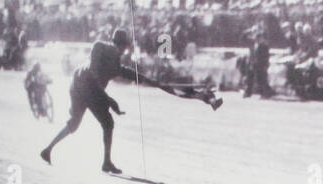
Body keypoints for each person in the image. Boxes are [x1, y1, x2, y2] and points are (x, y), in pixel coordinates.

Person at [40, 28, 220, 174]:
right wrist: (109, 100)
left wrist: (155, 83)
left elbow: (133, 75)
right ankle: (104, 162)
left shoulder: (115, 65)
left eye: (123, 47)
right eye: (120, 46)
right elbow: (94, 76)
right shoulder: (99, 48)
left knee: (81, 123)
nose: (121, 50)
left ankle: (49, 150)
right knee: (99, 123)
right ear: (115, 43)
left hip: (83, 88)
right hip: (81, 86)